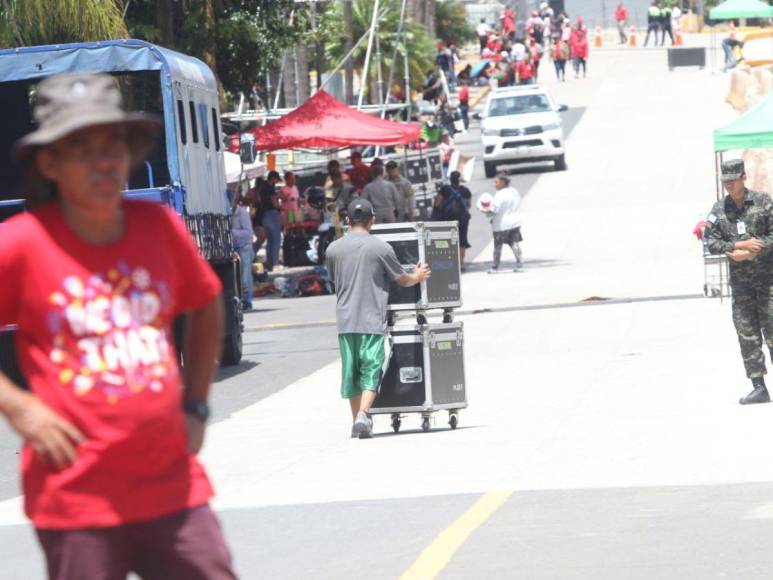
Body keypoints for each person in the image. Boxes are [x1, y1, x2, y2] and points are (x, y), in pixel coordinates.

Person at [0, 73, 235, 578]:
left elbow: (208, 302)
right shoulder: (21, 243)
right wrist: (21, 408)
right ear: (49, 163)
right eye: (81, 148)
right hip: (76, 496)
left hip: (170, 481)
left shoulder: (159, 226)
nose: (103, 160)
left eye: (114, 143)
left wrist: (196, 403)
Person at [325, 199, 431, 438]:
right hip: (371, 320)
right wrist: (417, 275)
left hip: (345, 321)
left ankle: (357, 422)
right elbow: (401, 279)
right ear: (372, 220)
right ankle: (363, 415)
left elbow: (334, 280)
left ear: (348, 221)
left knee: (351, 373)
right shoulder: (381, 248)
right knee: (371, 369)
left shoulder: (333, 249)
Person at [704, 160, 773, 405]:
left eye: (733, 180)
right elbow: (710, 241)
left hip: (768, 282)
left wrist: (758, 249)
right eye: (725, 181)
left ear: (744, 177)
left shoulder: (764, 202)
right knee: (748, 334)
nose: (729, 185)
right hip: (742, 286)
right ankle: (758, 387)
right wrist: (737, 246)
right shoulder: (719, 210)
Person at [435, 171, 472, 268]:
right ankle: (461, 263)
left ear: (450, 179)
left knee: (449, 239)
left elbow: (437, 204)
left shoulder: (444, 189)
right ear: (459, 180)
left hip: (448, 219)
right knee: (462, 240)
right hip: (463, 219)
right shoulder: (465, 190)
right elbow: (469, 205)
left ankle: (451, 262)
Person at [488, 173, 523, 274]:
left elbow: (494, 210)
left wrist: (486, 212)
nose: (494, 184)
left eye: (496, 182)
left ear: (503, 182)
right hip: (515, 222)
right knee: (514, 243)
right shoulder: (514, 192)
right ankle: (520, 265)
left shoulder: (499, 194)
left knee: (498, 247)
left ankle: (494, 267)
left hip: (500, 225)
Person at [232, 191, 255, 311]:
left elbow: (248, 233)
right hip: (234, 247)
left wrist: (233, 233)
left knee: (245, 277)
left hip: (244, 247)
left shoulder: (242, 213)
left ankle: (247, 300)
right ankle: (240, 300)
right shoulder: (228, 213)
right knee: (236, 278)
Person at [258, 170, 282, 271]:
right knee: (276, 239)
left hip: (264, 216)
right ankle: (275, 263)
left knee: (270, 241)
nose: (276, 182)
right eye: (276, 180)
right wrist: (280, 206)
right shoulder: (270, 187)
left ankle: (270, 263)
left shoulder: (262, 187)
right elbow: (273, 201)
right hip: (271, 215)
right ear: (273, 178)